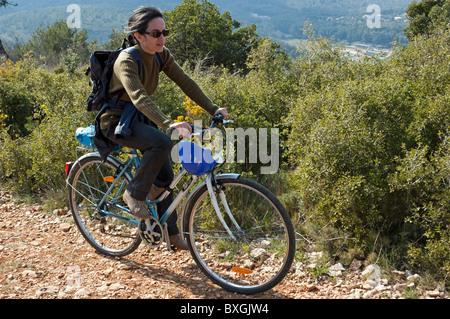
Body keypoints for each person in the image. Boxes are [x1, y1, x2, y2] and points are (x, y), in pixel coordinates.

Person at [98, 6, 227, 250]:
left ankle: (171, 233)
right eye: (156, 33)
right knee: (162, 142)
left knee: (166, 180)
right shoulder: (126, 60)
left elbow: (185, 82)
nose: (162, 38)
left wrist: (213, 108)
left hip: (139, 119)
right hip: (116, 122)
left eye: (164, 32)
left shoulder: (161, 54)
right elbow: (139, 97)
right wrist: (168, 124)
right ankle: (134, 193)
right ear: (139, 35)